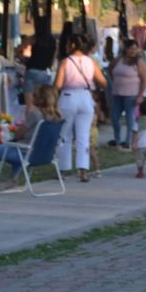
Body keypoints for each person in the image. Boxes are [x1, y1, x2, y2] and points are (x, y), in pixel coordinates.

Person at [0, 85, 63, 189]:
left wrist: (17, 128)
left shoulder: (35, 114)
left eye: (35, 95)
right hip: (45, 155)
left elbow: (18, 135)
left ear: (41, 99)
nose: (32, 97)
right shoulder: (57, 117)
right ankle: (12, 179)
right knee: (21, 145)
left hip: (25, 155)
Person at [52, 32, 106, 184]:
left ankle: (63, 170)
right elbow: (103, 82)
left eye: (69, 43)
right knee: (83, 136)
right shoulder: (91, 62)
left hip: (68, 97)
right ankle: (84, 171)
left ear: (73, 45)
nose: (67, 46)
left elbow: (58, 85)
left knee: (65, 135)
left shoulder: (65, 62)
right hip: (85, 97)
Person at [106, 38, 146, 149]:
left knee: (130, 119)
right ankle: (117, 139)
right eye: (130, 48)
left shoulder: (139, 62)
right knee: (114, 118)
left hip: (132, 95)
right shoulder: (119, 59)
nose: (133, 51)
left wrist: (140, 95)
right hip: (117, 93)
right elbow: (110, 69)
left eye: (135, 48)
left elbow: (145, 79)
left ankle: (128, 141)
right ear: (125, 49)